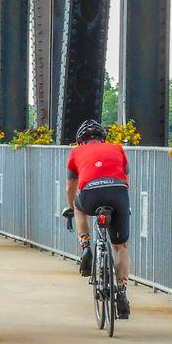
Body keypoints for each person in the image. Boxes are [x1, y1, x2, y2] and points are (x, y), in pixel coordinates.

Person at [65, 119, 132, 319]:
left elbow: (71, 187)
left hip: (91, 194)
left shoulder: (76, 153)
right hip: (118, 193)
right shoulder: (117, 148)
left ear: (80, 141)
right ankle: (121, 291)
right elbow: (127, 181)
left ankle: (85, 246)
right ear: (103, 138)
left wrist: (71, 206)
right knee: (120, 246)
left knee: (78, 207)